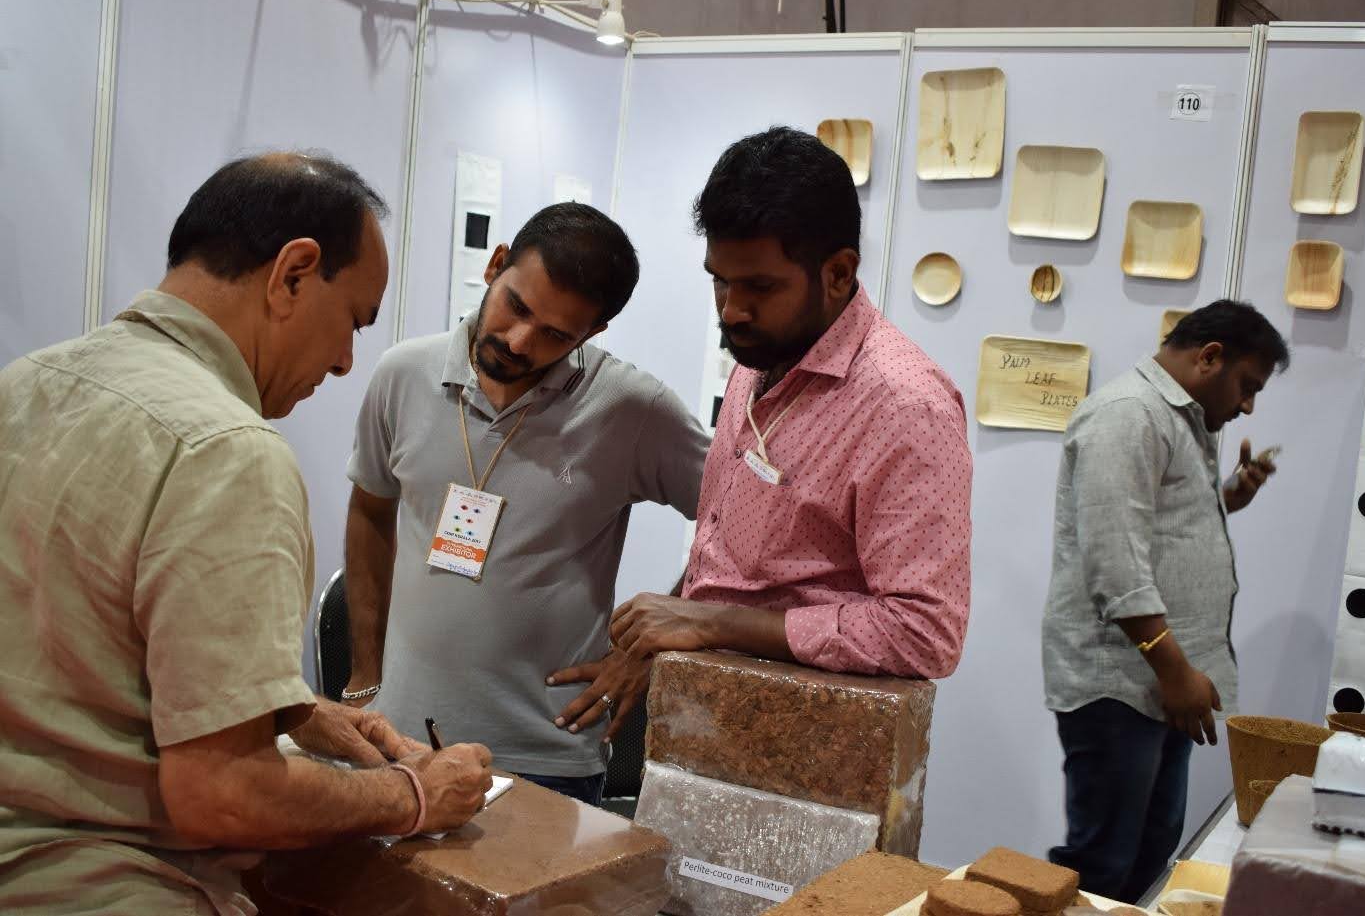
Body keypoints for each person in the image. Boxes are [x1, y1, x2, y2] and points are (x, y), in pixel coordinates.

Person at [0, 154, 492, 915]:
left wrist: (286, 706)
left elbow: (74, 642)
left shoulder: (27, 381)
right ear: (294, 273)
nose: (342, 361)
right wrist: (411, 795)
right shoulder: (229, 451)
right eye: (353, 322)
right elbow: (222, 796)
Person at [559, 125, 972, 700]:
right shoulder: (760, 358)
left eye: (758, 287)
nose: (732, 311)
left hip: (811, 755)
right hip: (707, 721)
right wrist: (669, 629)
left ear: (838, 273)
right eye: (719, 282)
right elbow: (727, 550)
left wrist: (711, 625)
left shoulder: (905, 406)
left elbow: (925, 633)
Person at [342, 202, 708, 806]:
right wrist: (363, 677)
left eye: (556, 335)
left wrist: (654, 642)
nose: (519, 341)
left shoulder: (632, 410)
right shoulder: (402, 375)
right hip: (399, 744)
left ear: (593, 333)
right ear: (496, 264)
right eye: (517, 306)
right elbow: (370, 509)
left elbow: (745, 528)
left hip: (546, 761)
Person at [1041, 300, 1289, 902]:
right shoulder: (1129, 415)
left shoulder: (1178, 420)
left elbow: (1158, 527)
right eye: (1248, 386)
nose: (1250, 405)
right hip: (1123, 682)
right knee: (1101, 864)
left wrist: (1227, 496)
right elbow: (1114, 562)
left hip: (1160, 680)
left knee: (1149, 854)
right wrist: (1174, 670)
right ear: (1210, 357)